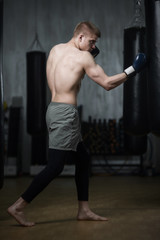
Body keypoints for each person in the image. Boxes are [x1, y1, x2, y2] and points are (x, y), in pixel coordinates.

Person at [7, 21, 146, 227]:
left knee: (83, 158)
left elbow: (64, 74)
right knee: (55, 167)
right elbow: (107, 83)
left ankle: (83, 209)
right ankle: (18, 206)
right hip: (65, 114)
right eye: (91, 42)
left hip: (52, 110)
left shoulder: (56, 50)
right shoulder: (83, 57)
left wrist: (87, 57)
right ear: (80, 37)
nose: (92, 46)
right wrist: (133, 70)